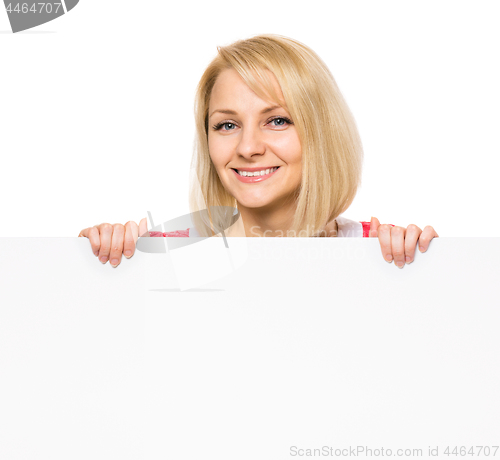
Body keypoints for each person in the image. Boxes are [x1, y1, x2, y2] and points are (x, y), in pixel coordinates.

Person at [79, 34, 438, 269]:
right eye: (227, 125)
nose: (248, 148)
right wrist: (92, 264)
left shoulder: (381, 251)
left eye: (278, 120)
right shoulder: (159, 254)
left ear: (321, 132)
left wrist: (425, 266)